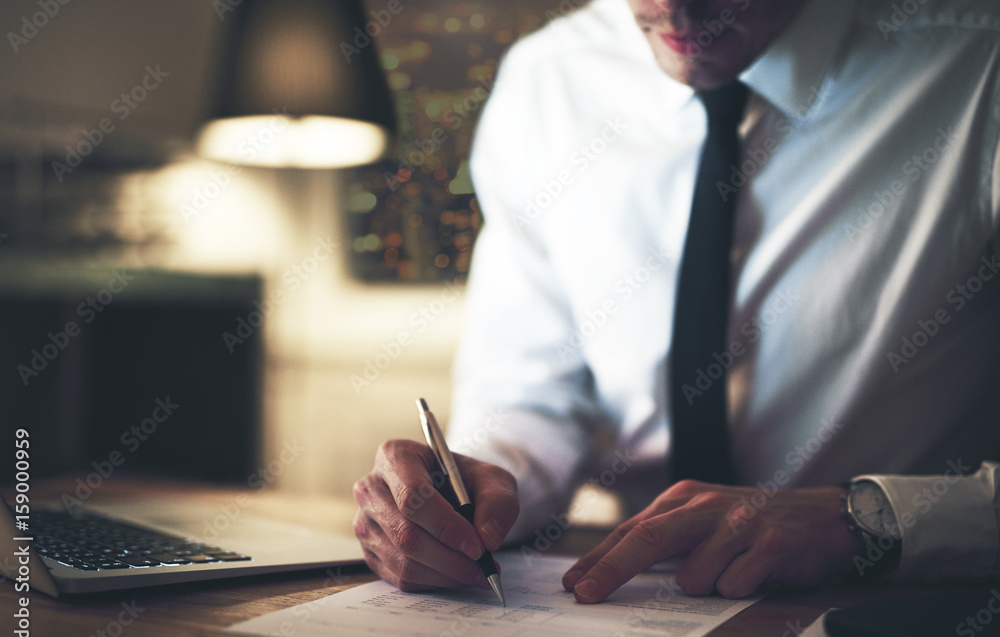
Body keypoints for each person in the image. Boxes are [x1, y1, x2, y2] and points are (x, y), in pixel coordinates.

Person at [353, 0, 1000, 602]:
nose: (675, 7)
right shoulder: (547, 81)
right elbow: (529, 395)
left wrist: (867, 519)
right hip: (630, 605)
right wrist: (477, 486)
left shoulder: (980, 63)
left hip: (909, 608)